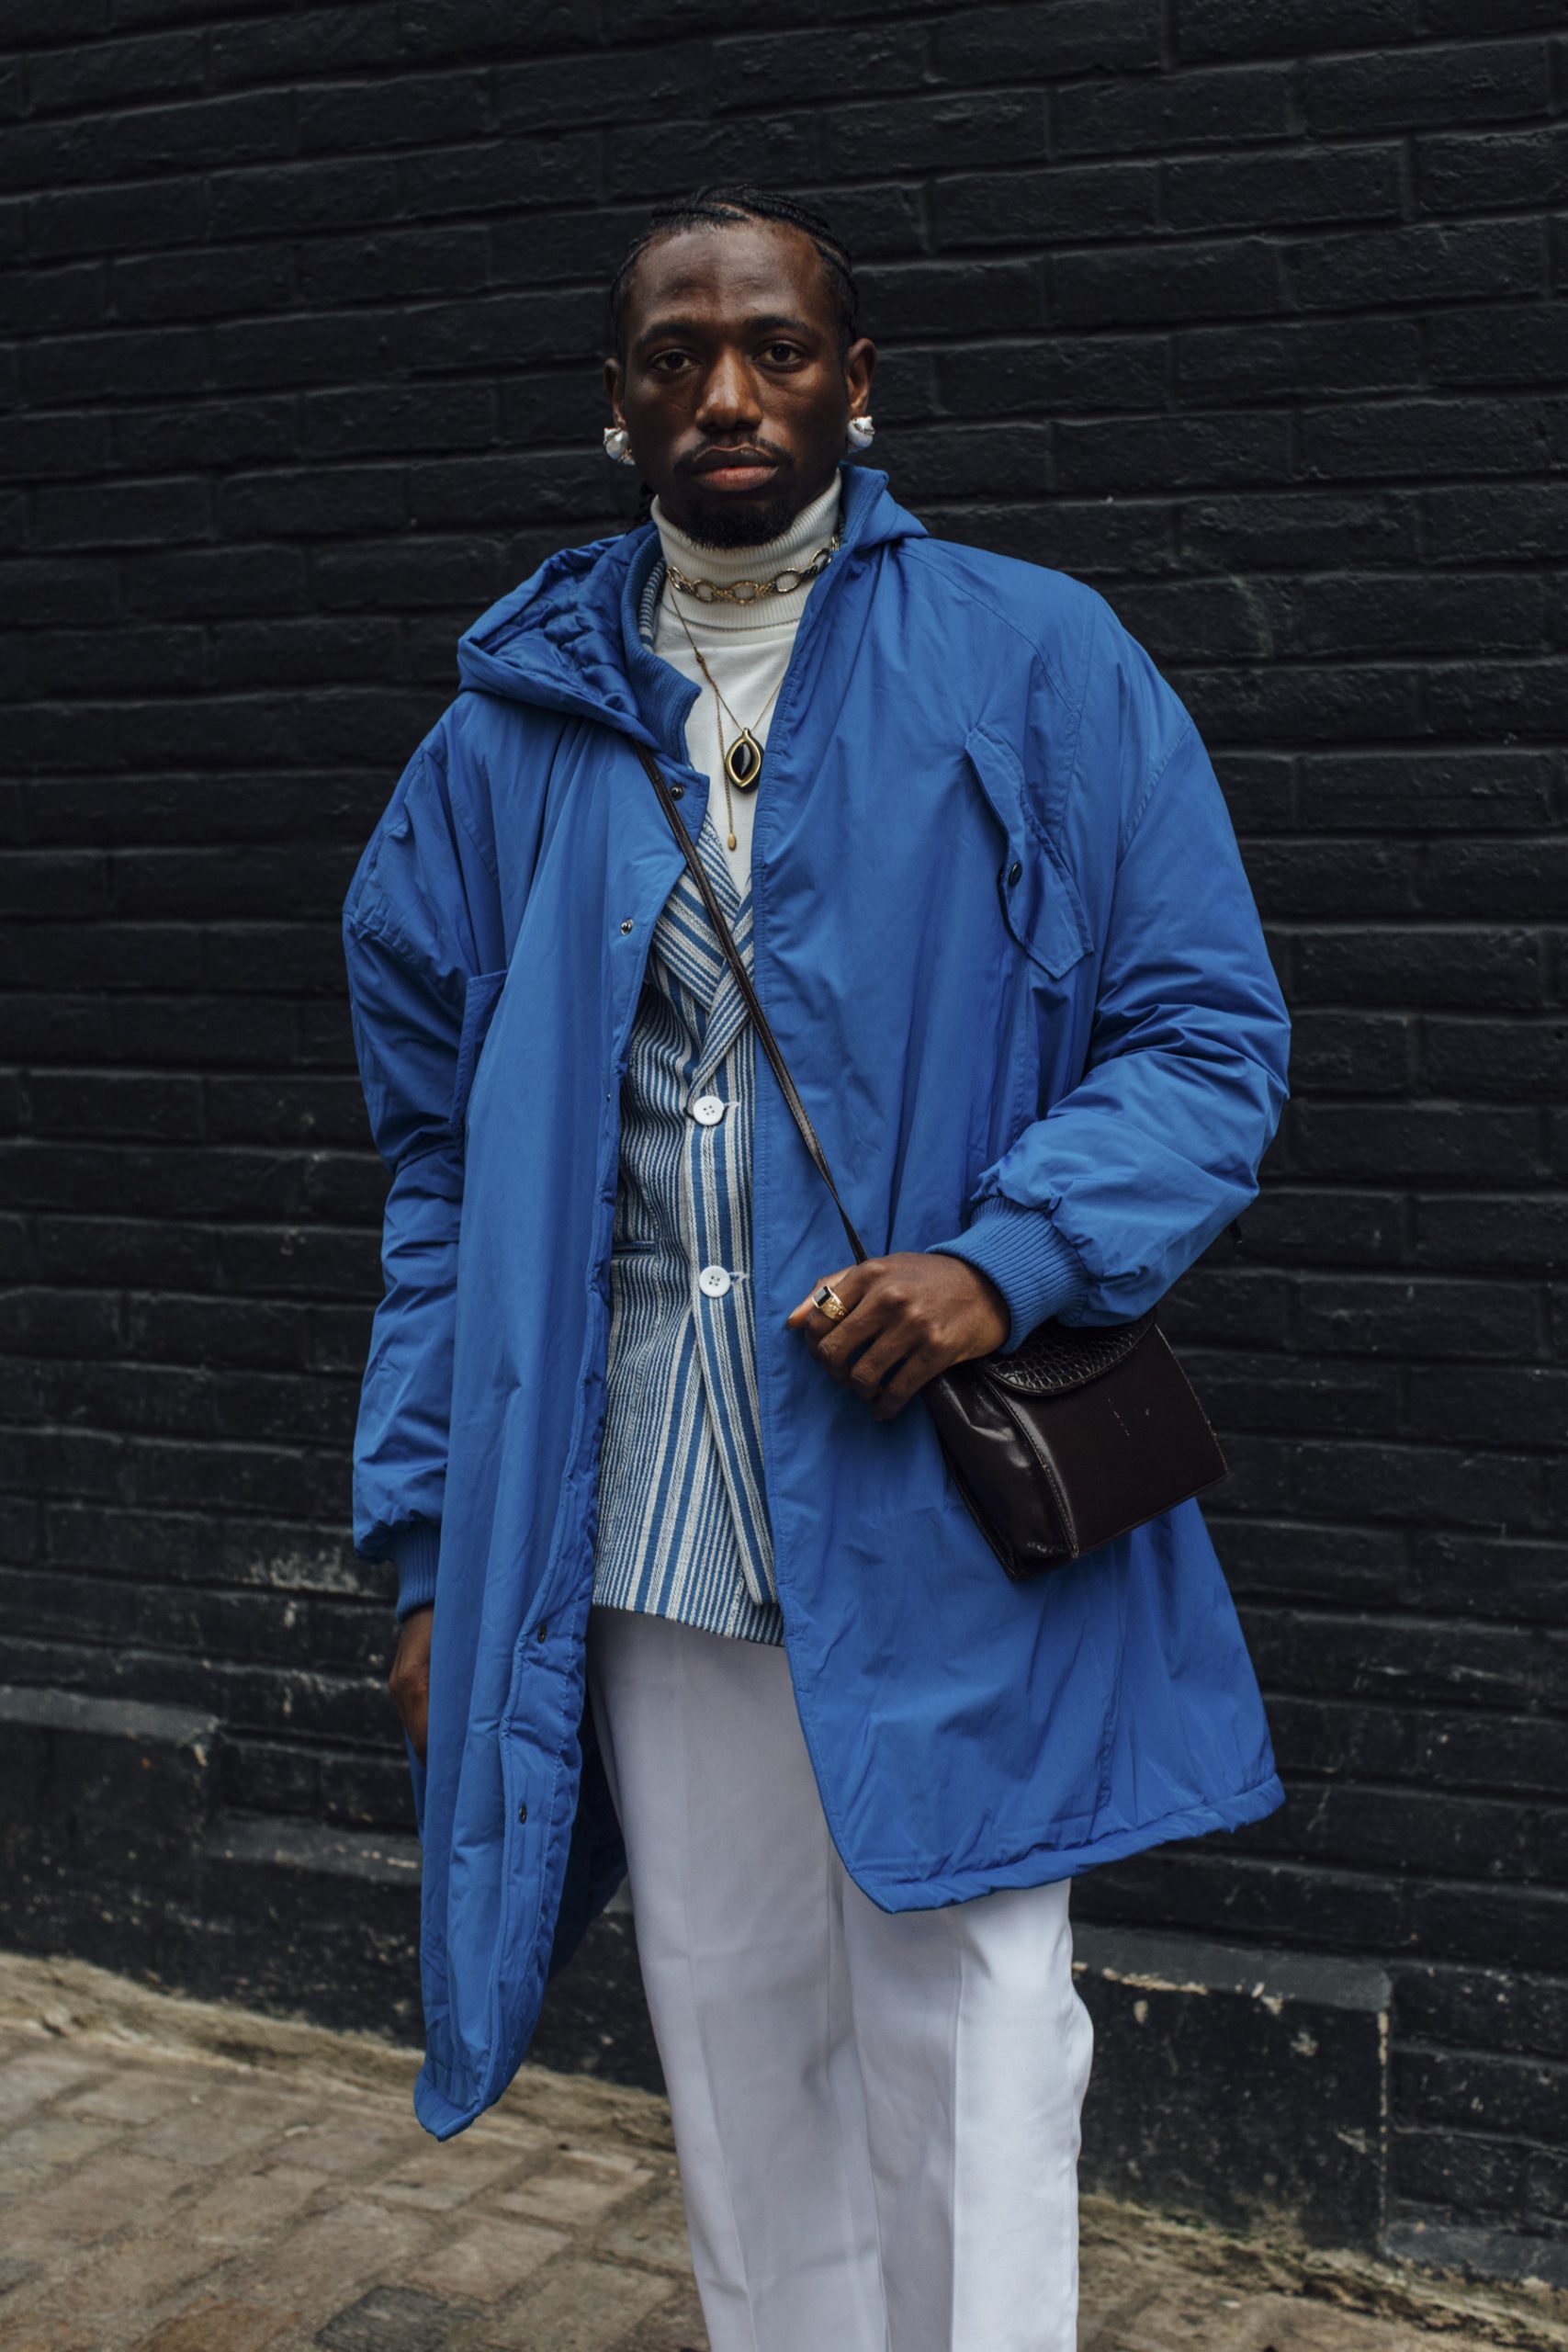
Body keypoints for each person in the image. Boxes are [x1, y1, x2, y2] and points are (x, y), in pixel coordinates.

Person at [343, 184, 1292, 2352]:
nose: (727, 391)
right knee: (733, 2033)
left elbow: (1204, 1035)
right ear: (611, 404)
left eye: (774, 347)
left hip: (924, 1488)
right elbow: (436, 1172)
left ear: (856, 384)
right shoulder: (503, 738)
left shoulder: (1034, 658)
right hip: (640, 1510)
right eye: (673, 354)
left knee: (972, 2042)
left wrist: (1003, 1257)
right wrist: (426, 1542)